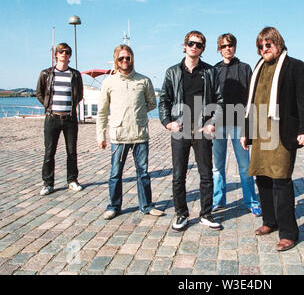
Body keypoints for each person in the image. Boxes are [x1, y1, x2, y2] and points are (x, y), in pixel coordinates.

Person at [241, 27, 304, 251]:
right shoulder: (258, 67)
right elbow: (250, 103)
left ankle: (289, 233)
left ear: (278, 43)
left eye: (268, 45)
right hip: (261, 132)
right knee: (262, 178)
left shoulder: (296, 67)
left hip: (282, 132)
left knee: (281, 180)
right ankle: (269, 222)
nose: (264, 49)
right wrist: (246, 131)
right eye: (261, 46)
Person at [159, 31, 224, 232]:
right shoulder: (172, 72)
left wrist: (212, 123)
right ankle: (181, 214)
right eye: (191, 43)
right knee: (179, 175)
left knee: (206, 175)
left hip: (202, 130)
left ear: (203, 49)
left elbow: (220, 101)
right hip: (180, 130)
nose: (194, 47)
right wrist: (168, 123)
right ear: (184, 45)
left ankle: (206, 214)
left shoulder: (211, 72)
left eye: (198, 45)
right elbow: (164, 100)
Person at [97, 45, 164, 220]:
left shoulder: (144, 81)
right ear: (116, 60)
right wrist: (101, 135)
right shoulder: (109, 83)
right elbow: (102, 111)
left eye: (128, 58)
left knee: (143, 173)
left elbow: (152, 104)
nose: (125, 61)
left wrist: (137, 115)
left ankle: (146, 205)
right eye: (121, 58)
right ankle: (114, 206)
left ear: (132, 59)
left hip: (139, 134)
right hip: (118, 136)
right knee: (115, 174)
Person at [212, 33, 262, 216]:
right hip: (218, 125)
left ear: (235, 47)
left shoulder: (245, 68)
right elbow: (208, 99)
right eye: (224, 46)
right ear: (219, 49)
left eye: (230, 45)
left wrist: (248, 129)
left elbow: (252, 99)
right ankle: (218, 201)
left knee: (245, 166)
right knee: (217, 166)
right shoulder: (213, 70)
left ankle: (251, 201)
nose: (227, 49)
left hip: (239, 125)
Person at [36, 43, 84, 196]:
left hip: (70, 119)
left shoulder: (75, 75)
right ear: (56, 54)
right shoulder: (46, 74)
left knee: (71, 151)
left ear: (70, 55)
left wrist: (69, 108)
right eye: (61, 51)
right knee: (50, 152)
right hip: (52, 119)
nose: (64, 54)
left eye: (67, 52)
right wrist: (49, 107)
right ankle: (48, 183)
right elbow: (39, 93)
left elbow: (79, 95)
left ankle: (72, 180)